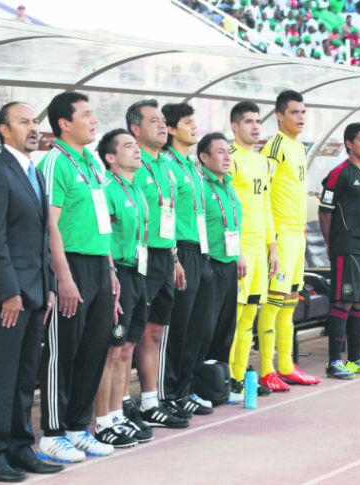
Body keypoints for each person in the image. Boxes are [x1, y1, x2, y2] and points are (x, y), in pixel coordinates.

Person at [0, 102, 63, 482]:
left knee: (26, 377)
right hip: (8, 295)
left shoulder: (33, 172)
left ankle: (20, 448)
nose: (33, 127)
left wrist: (50, 287)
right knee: (1, 377)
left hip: (35, 292)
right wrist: (11, 292)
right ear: (4, 130)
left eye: (34, 121)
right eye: (24, 122)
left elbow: (39, 238)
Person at [37, 92, 118, 462]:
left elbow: (103, 222)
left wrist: (112, 271)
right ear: (64, 124)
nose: (94, 120)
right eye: (86, 115)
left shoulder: (93, 163)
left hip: (100, 265)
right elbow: (49, 225)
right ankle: (52, 433)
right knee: (62, 352)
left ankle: (75, 428)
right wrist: (63, 277)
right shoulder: (56, 161)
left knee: (93, 350)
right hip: (69, 264)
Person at [127, 100, 189, 429]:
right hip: (142, 256)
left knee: (155, 332)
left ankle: (151, 401)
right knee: (127, 338)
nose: (163, 126)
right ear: (136, 130)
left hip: (166, 256)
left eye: (164, 121)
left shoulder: (165, 165)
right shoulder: (131, 164)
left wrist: (175, 257)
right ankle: (122, 403)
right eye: (154, 121)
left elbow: (170, 215)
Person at [92, 129, 155, 450]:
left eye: (136, 146)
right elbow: (103, 234)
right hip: (117, 274)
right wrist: (111, 272)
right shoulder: (106, 189)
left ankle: (117, 414)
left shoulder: (136, 190)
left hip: (137, 273)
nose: (136, 150)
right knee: (111, 349)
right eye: (128, 146)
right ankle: (102, 421)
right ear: (110, 158)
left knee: (128, 348)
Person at [258, 90, 322, 390]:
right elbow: (264, 193)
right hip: (281, 236)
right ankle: (266, 368)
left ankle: (286, 364)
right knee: (272, 304)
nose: (301, 118)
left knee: (289, 303)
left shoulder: (298, 148)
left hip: (297, 236)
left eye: (303, 112)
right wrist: (271, 239)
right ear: (280, 115)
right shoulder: (275, 147)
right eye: (295, 112)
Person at [160, 102, 214, 417]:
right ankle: (169, 392)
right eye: (188, 122)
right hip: (180, 249)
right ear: (171, 128)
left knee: (198, 326)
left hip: (200, 250)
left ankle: (186, 388)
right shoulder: (166, 164)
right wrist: (174, 256)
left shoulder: (191, 165)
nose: (195, 127)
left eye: (195, 121)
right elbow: (165, 214)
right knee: (177, 327)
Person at [319, 123, 360, 379]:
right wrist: (331, 244)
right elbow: (325, 211)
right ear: (349, 143)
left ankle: (355, 358)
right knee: (343, 302)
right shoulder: (339, 173)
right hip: (347, 248)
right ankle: (334, 361)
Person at [226, 101, 280, 399]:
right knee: (234, 316)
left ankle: (240, 376)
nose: (256, 126)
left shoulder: (261, 161)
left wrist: (272, 246)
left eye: (258, 121)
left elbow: (266, 206)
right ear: (235, 126)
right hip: (242, 248)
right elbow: (227, 206)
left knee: (250, 316)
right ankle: (228, 378)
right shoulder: (230, 159)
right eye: (249, 121)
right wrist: (236, 250)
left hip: (261, 248)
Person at [190, 133, 244, 381]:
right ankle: (196, 382)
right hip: (209, 263)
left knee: (226, 328)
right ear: (204, 157)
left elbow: (233, 225)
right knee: (204, 329)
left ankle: (218, 380)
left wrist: (239, 253)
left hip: (230, 263)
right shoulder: (199, 185)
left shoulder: (229, 187)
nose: (226, 157)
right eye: (220, 152)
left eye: (228, 152)